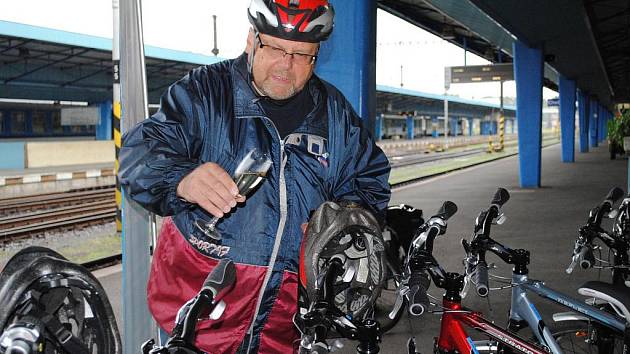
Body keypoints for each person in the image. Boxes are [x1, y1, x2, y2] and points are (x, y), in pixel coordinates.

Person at [119, 0, 391, 352]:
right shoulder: (205, 93)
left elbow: (370, 180)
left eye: (300, 54)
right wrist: (182, 178)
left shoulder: (336, 117)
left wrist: (346, 221)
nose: (285, 64)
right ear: (252, 40)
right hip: (198, 315)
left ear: (316, 55)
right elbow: (137, 154)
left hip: (286, 322)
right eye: (275, 47)